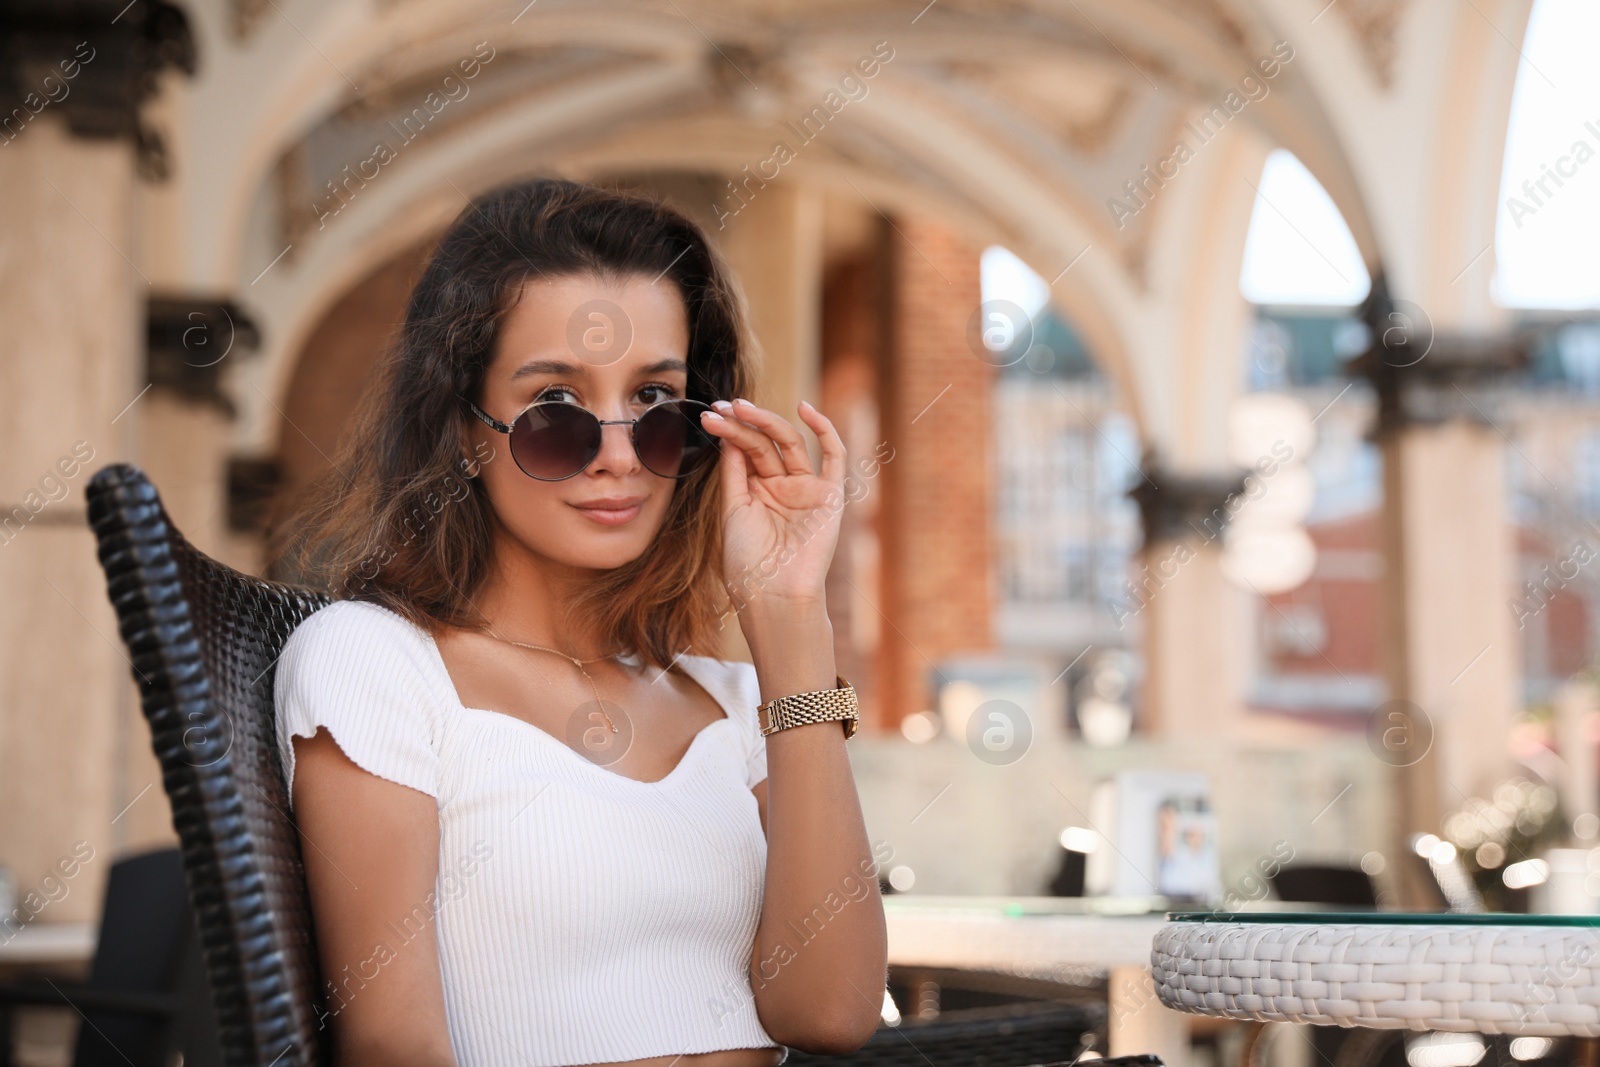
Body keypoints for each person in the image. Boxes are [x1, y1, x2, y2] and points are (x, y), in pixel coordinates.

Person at [271, 178, 888, 1067]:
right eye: (555, 406)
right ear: (467, 431)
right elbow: (391, 1045)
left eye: (655, 404)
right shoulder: (376, 665)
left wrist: (790, 616)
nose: (617, 454)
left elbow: (827, 1011)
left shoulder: (739, 702)